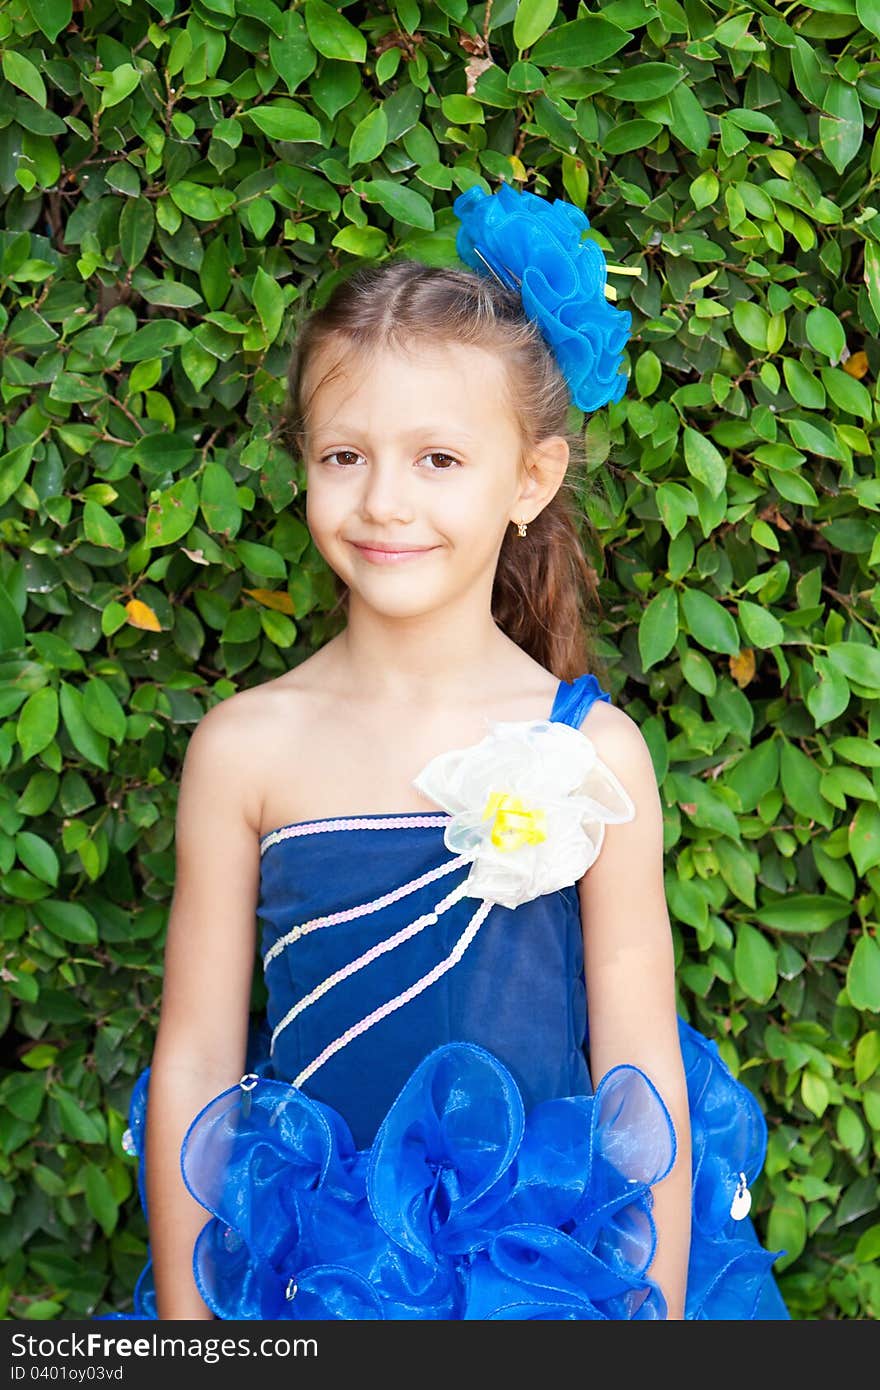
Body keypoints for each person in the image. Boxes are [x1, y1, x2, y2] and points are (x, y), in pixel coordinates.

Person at [96, 182, 790, 1322]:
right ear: (305, 464)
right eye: (343, 455)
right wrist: (190, 1325)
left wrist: (655, 1315)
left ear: (531, 479)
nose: (382, 502)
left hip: (546, 1279)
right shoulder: (243, 748)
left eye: (437, 461)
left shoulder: (592, 751)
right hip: (306, 1280)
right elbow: (195, 1061)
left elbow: (637, 1072)